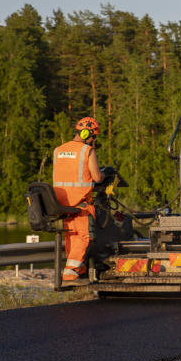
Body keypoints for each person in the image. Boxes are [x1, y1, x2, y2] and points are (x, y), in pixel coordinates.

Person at [53, 117, 104, 283]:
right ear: (85, 133)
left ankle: (79, 270)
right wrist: (104, 174)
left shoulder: (58, 150)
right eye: (93, 137)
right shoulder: (87, 151)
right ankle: (70, 272)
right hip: (81, 204)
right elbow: (96, 177)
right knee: (84, 237)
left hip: (62, 204)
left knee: (72, 237)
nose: (93, 141)